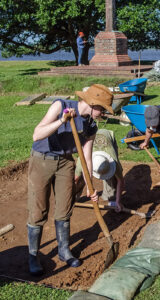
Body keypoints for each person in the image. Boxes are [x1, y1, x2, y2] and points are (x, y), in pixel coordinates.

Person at [27, 84, 114, 276]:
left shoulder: (91, 124)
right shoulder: (60, 105)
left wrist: (90, 184)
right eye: (102, 110)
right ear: (93, 104)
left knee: (65, 207)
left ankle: (64, 250)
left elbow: (87, 157)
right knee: (39, 209)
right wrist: (62, 121)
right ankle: (33, 255)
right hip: (42, 159)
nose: (103, 114)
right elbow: (37, 134)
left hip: (66, 163)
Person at [74, 129, 125, 212]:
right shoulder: (83, 158)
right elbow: (75, 178)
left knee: (112, 176)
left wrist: (118, 201)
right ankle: (74, 197)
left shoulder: (114, 161)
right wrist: (69, 195)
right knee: (81, 175)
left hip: (108, 135)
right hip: (92, 136)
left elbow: (121, 181)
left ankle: (111, 197)